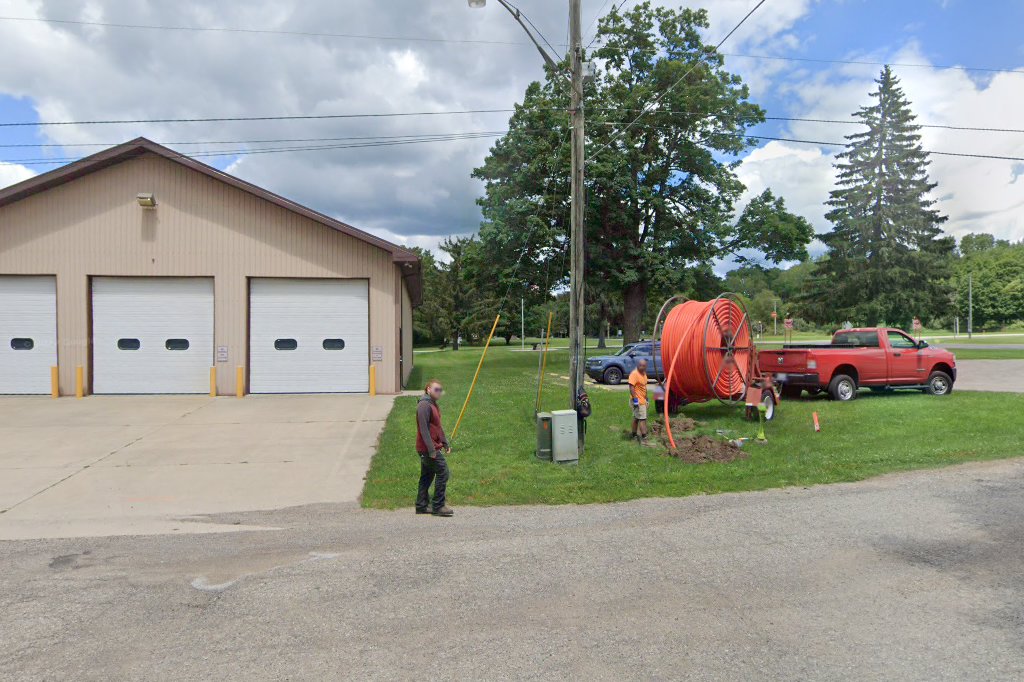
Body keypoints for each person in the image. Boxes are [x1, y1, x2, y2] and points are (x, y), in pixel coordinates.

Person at [416, 379, 453, 517]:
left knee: (427, 476)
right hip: (427, 448)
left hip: (429, 447)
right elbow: (424, 429)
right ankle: (438, 505)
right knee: (443, 471)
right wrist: (431, 449)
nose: (439, 392)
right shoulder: (424, 405)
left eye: (440, 390)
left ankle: (421, 505)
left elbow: (437, 427)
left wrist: (444, 442)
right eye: (436, 389)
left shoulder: (433, 405)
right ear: (428, 390)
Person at [628, 358, 649, 442]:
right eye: (640, 365)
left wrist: (646, 399)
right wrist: (635, 399)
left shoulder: (644, 374)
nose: (642, 367)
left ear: (646, 366)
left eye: (643, 366)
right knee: (642, 418)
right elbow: (631, 387)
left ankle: (633, 435)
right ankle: (644, 437)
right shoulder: (634, 374)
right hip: (638, 401)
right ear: (637, 365)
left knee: (636, 418)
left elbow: (644, 387)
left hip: (642, 400)